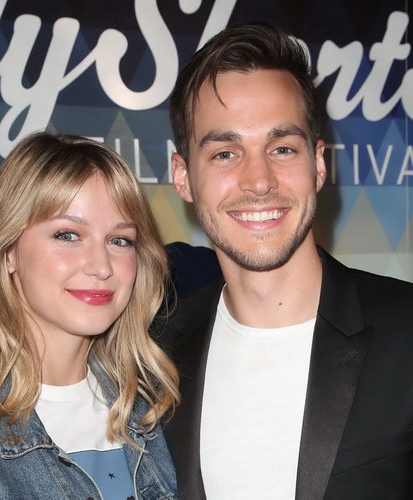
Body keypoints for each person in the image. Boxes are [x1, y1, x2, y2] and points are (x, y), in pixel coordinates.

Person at [161, 21, 413, 500]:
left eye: (281, 148)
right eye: (225, 153)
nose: (259, 181)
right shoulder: (155, 355)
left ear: (317, 164)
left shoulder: (406, 329)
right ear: (183, 176)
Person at [0, 133, 179, 499]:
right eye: (68, 235)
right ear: (8, 251)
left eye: (120, 240)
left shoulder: (152, 411)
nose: (101, 266)